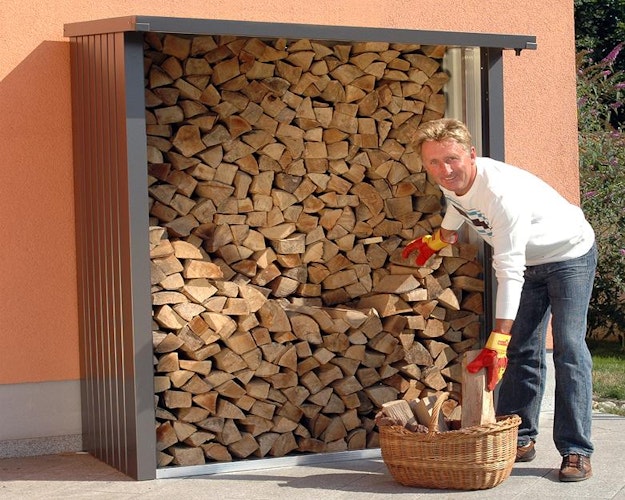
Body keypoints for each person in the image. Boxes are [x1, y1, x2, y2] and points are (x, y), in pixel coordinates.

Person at [402, 118, 597, 482]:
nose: (444, 170)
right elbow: (457, 205)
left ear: (471, 155)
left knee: (569, 348)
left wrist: (498, 339)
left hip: (569, 256)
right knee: (523, 350)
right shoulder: (452, 183)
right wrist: (439, 239)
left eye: (452, 160)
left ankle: (575, 450)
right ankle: (520, 437)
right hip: (527, 262)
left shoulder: (501, 195)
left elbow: (509, 269)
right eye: (434, 162)